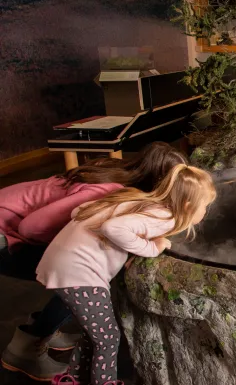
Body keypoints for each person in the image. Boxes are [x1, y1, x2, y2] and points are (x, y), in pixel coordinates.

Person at [0, 142, 187, 381]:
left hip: (11, 222)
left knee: (75, 272)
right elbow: (31, 227)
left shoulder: (120, 173)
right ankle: (25, 349)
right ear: (155, 184)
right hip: (5, 233)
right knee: (80, 275)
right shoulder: (104, 191)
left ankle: (45, 328)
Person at [38, 164, 216, 385]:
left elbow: (80, 210)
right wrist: (151, 248)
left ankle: (74, 379)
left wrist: (128, 248)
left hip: (62, 261)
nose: (205, 212)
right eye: (205, 207)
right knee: (108, 339)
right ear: (188, 205)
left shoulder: (140, 200)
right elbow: (113, 228)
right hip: (80, 274)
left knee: (94, 334)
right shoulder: (165, 217)